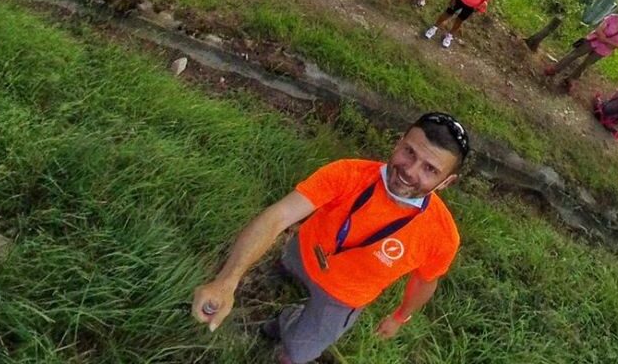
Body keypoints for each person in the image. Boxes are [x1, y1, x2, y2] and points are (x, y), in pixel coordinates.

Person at [191, 112, 468, 364]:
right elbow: (279, 216)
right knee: (276, 282)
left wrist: (399, 317)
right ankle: (278, 312)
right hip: (300, 255)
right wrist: (226, 282)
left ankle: (285, 324)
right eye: (409, 152)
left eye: (430, 169)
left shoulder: (441, 235)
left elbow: (425, 281)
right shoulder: (348, 173)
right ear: (399, 142)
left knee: (298, 354)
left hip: (342, 299)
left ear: (446, 182)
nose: (410, 171)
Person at [545, 2, 618, 88]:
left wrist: (605, 40)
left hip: (604, 49)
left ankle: (571, 79)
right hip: (593, 40)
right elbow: (599, 29)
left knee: (586, 64)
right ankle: (555, 69)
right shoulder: (612, 17)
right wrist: (605, 39)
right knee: (574, 54)